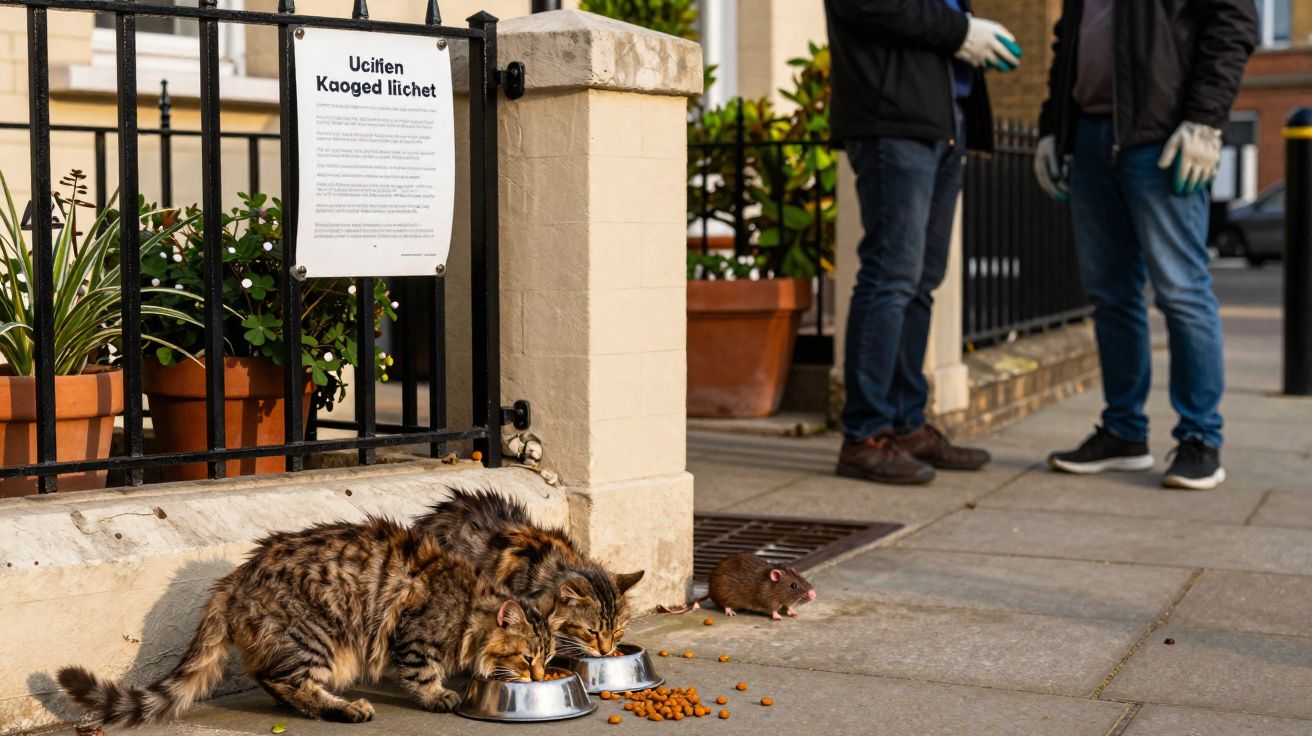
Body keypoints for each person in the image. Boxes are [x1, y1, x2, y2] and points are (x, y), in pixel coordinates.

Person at [1035, 0, 1257, 490]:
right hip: (1090, 136)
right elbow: (1068, 40)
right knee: (1110, 296)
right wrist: (1052, 127)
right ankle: (1123, 432)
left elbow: (1234, 22)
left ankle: (1200, 438)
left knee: (1181, 290)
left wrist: (1205, 118)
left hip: (1161, 137)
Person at [824, 0, 1018, 485]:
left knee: (922, 280)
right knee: (891, 274)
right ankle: (866, 435)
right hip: (893, 118)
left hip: (942, 120)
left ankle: (906, 425)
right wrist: (962, 31)